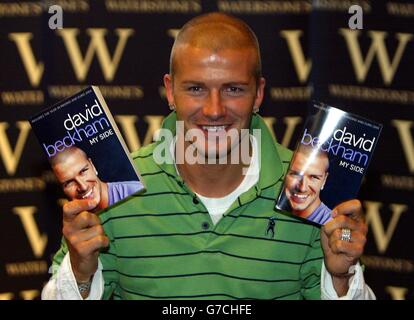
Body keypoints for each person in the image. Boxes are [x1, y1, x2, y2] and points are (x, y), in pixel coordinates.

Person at [42, 12, 374, 300]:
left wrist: (341, 279)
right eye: (196, 88)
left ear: (258, 94)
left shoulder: (309, 192)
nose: (214, 110)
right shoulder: (117, 189)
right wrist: (81, 277)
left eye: (233, 89)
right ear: (170, 91)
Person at [50, 146, 143, 212]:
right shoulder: (73, 227)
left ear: (93, 166)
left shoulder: (135, 191)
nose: (83, 187)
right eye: (69, 182)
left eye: (83, 171)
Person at [284, 145, 332, 225]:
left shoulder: (330, 223)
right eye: (296, 174)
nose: (302, 188)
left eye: (314, 177)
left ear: (325, 179)